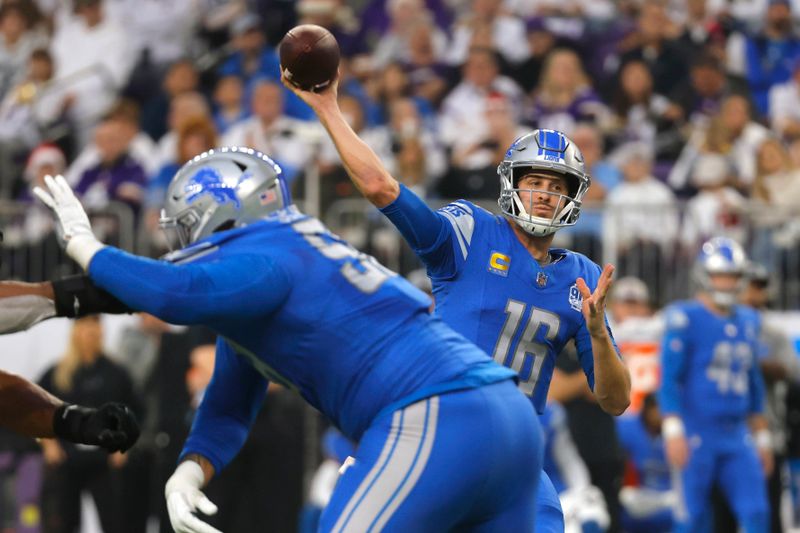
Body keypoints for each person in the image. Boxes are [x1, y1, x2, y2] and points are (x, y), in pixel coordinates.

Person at [32, 147, 542, 532]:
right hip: (506, 417)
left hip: (436, 417)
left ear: (221, 217)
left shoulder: (267, 254)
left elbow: (175, 293)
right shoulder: (281, 263)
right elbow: (229, 406)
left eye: (187, 228)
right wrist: (189, 470)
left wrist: (86, 246)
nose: (184, 244)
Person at [285, 74, 631, 531]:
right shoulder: (470, 233)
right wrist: (330, 109)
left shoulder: (582, 278)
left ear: (573, 196)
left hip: (516, 454)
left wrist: (597, 334)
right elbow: (382, 189)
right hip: (441, 435)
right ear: (513, 184)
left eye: (558, 185)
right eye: (536, 181)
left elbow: (616, 399)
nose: (546, 194)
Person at [658, 237, 772, 533]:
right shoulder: (686, 317)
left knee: (757, 512)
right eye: (720, 275)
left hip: (736, 433)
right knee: (691, 518)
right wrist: (673, 430)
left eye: (732, 276)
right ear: (705, 276)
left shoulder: (748, 320)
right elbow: (669, 379)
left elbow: (753, 381)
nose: (725, 283)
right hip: (697, 431)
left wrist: (762, 437)